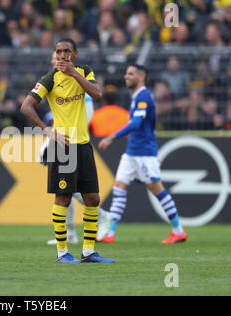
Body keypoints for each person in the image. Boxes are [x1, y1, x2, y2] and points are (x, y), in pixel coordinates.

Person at [20, 38, 114, 264]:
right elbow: (26, 107)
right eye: (59, 52)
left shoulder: (84, 72)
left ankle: (88, 252)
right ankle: (62, 253)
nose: (62, 56)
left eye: (67, 52)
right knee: (62, 198)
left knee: (92, 198)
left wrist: (74, 74)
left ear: (75, 54)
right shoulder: (49, 79)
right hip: (63, 146)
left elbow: (98, 95)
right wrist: (46, 130)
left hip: (83, 144)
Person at [98, 64, 187, 244]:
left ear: (142, 76)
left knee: (156, 189)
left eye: (130, 74)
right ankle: (110, 233)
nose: (126, 76)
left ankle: (178, 231)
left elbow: (137, 123)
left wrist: (111, 137)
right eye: (126, 73)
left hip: (144, 152)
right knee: (119, 187)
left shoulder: (144, 96)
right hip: (132, 151)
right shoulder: (137, 97)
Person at [41, 51, 111, 246]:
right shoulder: (53, 81)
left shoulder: (80, 80)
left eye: (61, 56)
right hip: (62, 141)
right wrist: (48, 139)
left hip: (75, 142)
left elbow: (87, 113)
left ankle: (101, 217)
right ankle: (71, 233)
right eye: (55, 57)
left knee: (69, 191)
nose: (57, 60)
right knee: (64, 191)